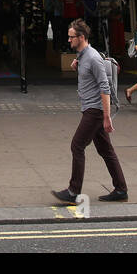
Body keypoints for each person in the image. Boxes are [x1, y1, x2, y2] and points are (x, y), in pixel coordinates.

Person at [52, 21, 128, 202]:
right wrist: (77, 66)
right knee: (106, 150)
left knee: (77, 146)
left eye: (71, 37)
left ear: (81, 38)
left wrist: (107, 116)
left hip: (95, 110)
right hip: (90, 108)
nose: (69, 40)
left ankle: (73, 191)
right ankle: (121, 189)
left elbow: (105, 87)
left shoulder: (93, 58)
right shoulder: (82, 56)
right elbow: (90, 78)